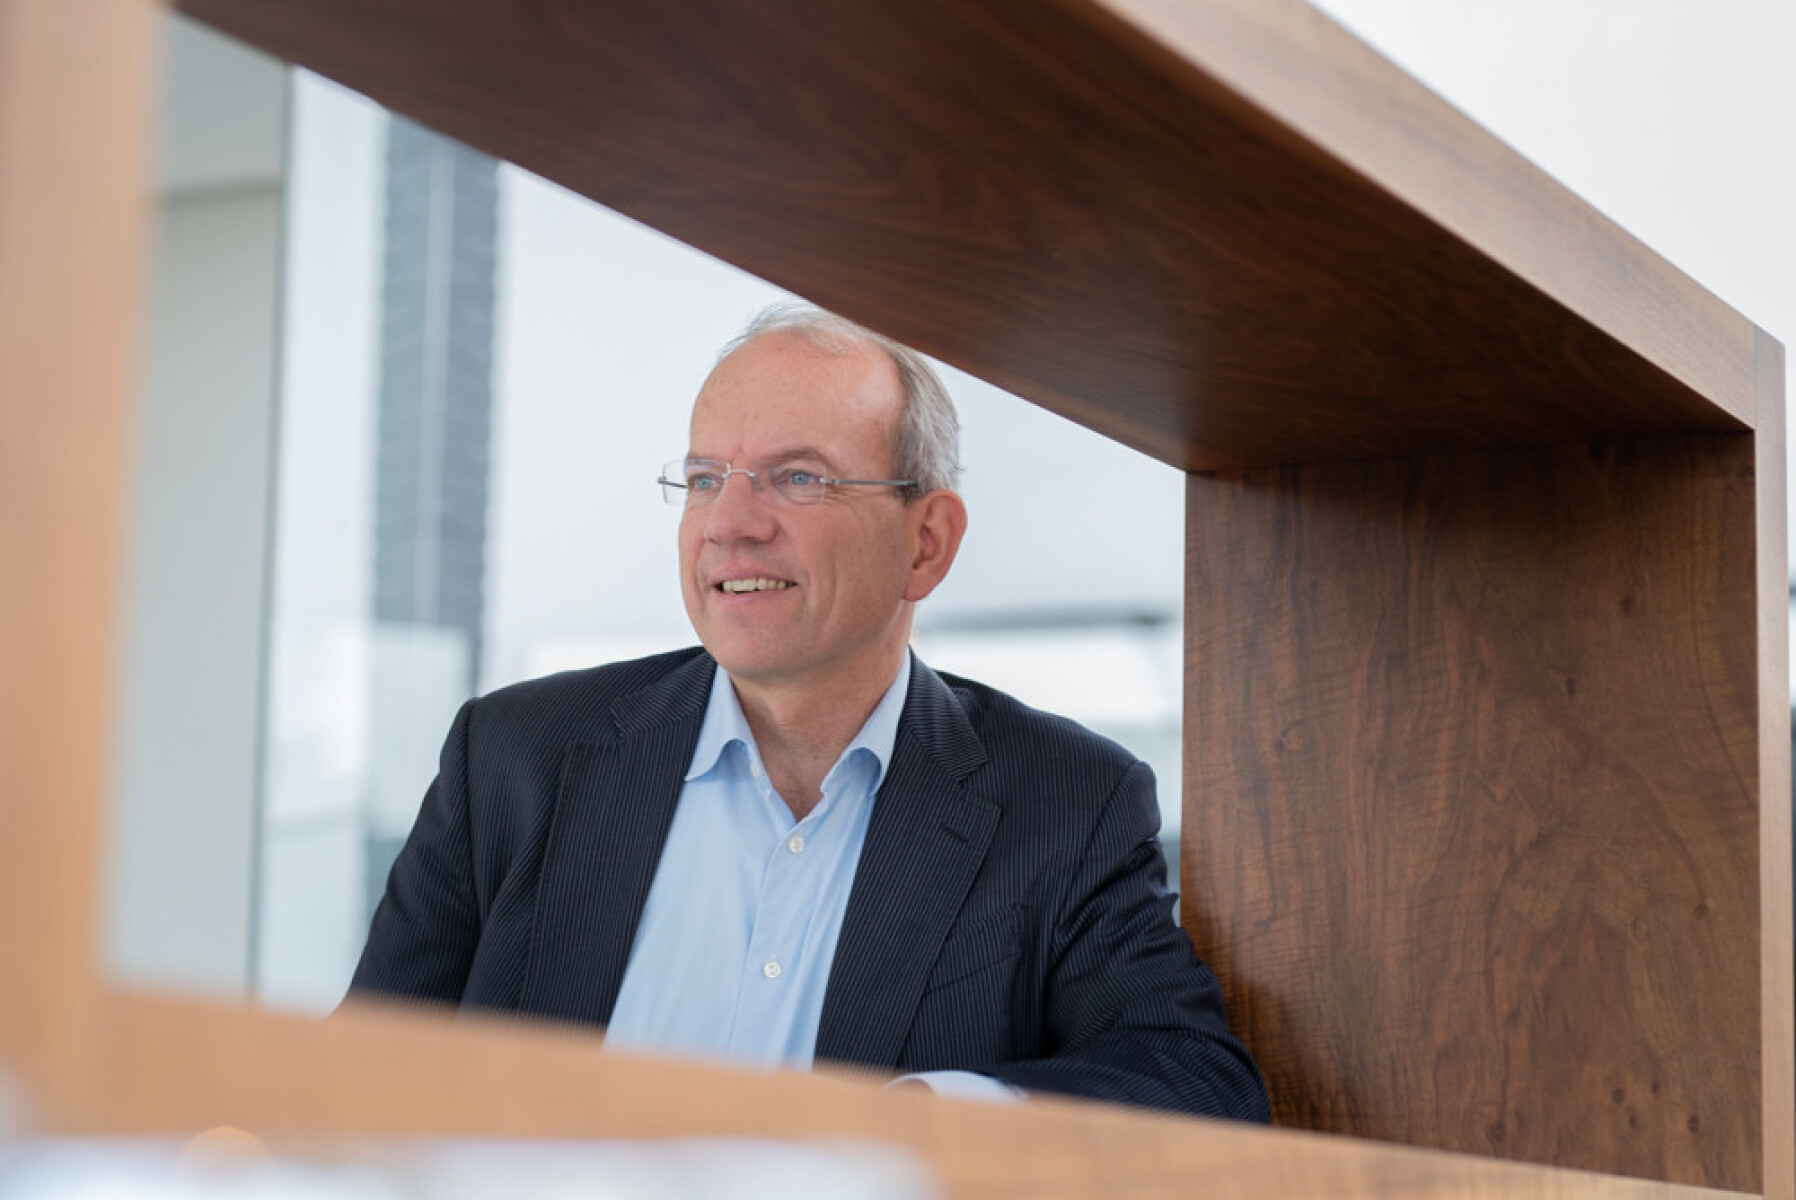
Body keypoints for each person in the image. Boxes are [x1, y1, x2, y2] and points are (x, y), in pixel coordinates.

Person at [349, 303, 1269, 1120]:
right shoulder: (514, 758)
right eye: (704, 479)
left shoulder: (1067, 801)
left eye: (796, 478)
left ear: (927, 542)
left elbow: (1197, 1084)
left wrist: (932, 1119)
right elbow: (350, 1083)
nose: (729, 523)